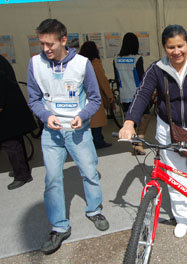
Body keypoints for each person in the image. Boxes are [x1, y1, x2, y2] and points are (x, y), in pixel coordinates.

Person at [119, 24, 187, 238]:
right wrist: (129, 122)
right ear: (164, 47)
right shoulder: (156, 69)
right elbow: (142, 94)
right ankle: (182, 218)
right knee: (175, 177)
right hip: (168, 129)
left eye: (180, 45)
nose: (176, 51)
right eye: (171, 47)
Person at [27, 19, 109, 255]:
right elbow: (33, 99)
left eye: (50, 44)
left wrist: (82, 117)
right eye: (41, 43)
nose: (45, 49)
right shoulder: (35, 64)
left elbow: (95, 99)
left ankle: (94, 210)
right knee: (52, 179)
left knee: (90, 172)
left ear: (64, 40)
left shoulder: (83, 64)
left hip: (78, 131)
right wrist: (45, 116)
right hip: (51, 133)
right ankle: (59, 226)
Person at [0, 54, 36, 190]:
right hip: (12, 109)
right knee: (16, 141)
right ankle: (21, 169)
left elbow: (1, 85)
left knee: (10, 143)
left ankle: (22, 175)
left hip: (7, 111)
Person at [113, 32, 150, 154]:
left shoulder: (116, 59)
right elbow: (142, 77)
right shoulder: (137, 58)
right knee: (146, 117)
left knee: (130, 121)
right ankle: (138, 143)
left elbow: (116, 78)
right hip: (138, 94)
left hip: (124, 94)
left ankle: (135, 143)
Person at [79, 41, 114, 149]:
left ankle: (89, 141)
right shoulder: (95, 63)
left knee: (87, 120)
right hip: (93, 95)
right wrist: (109, 94)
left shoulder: (79, 62)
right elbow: (103, 81)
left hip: (82, 96)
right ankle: (98, 140)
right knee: (96, 121)